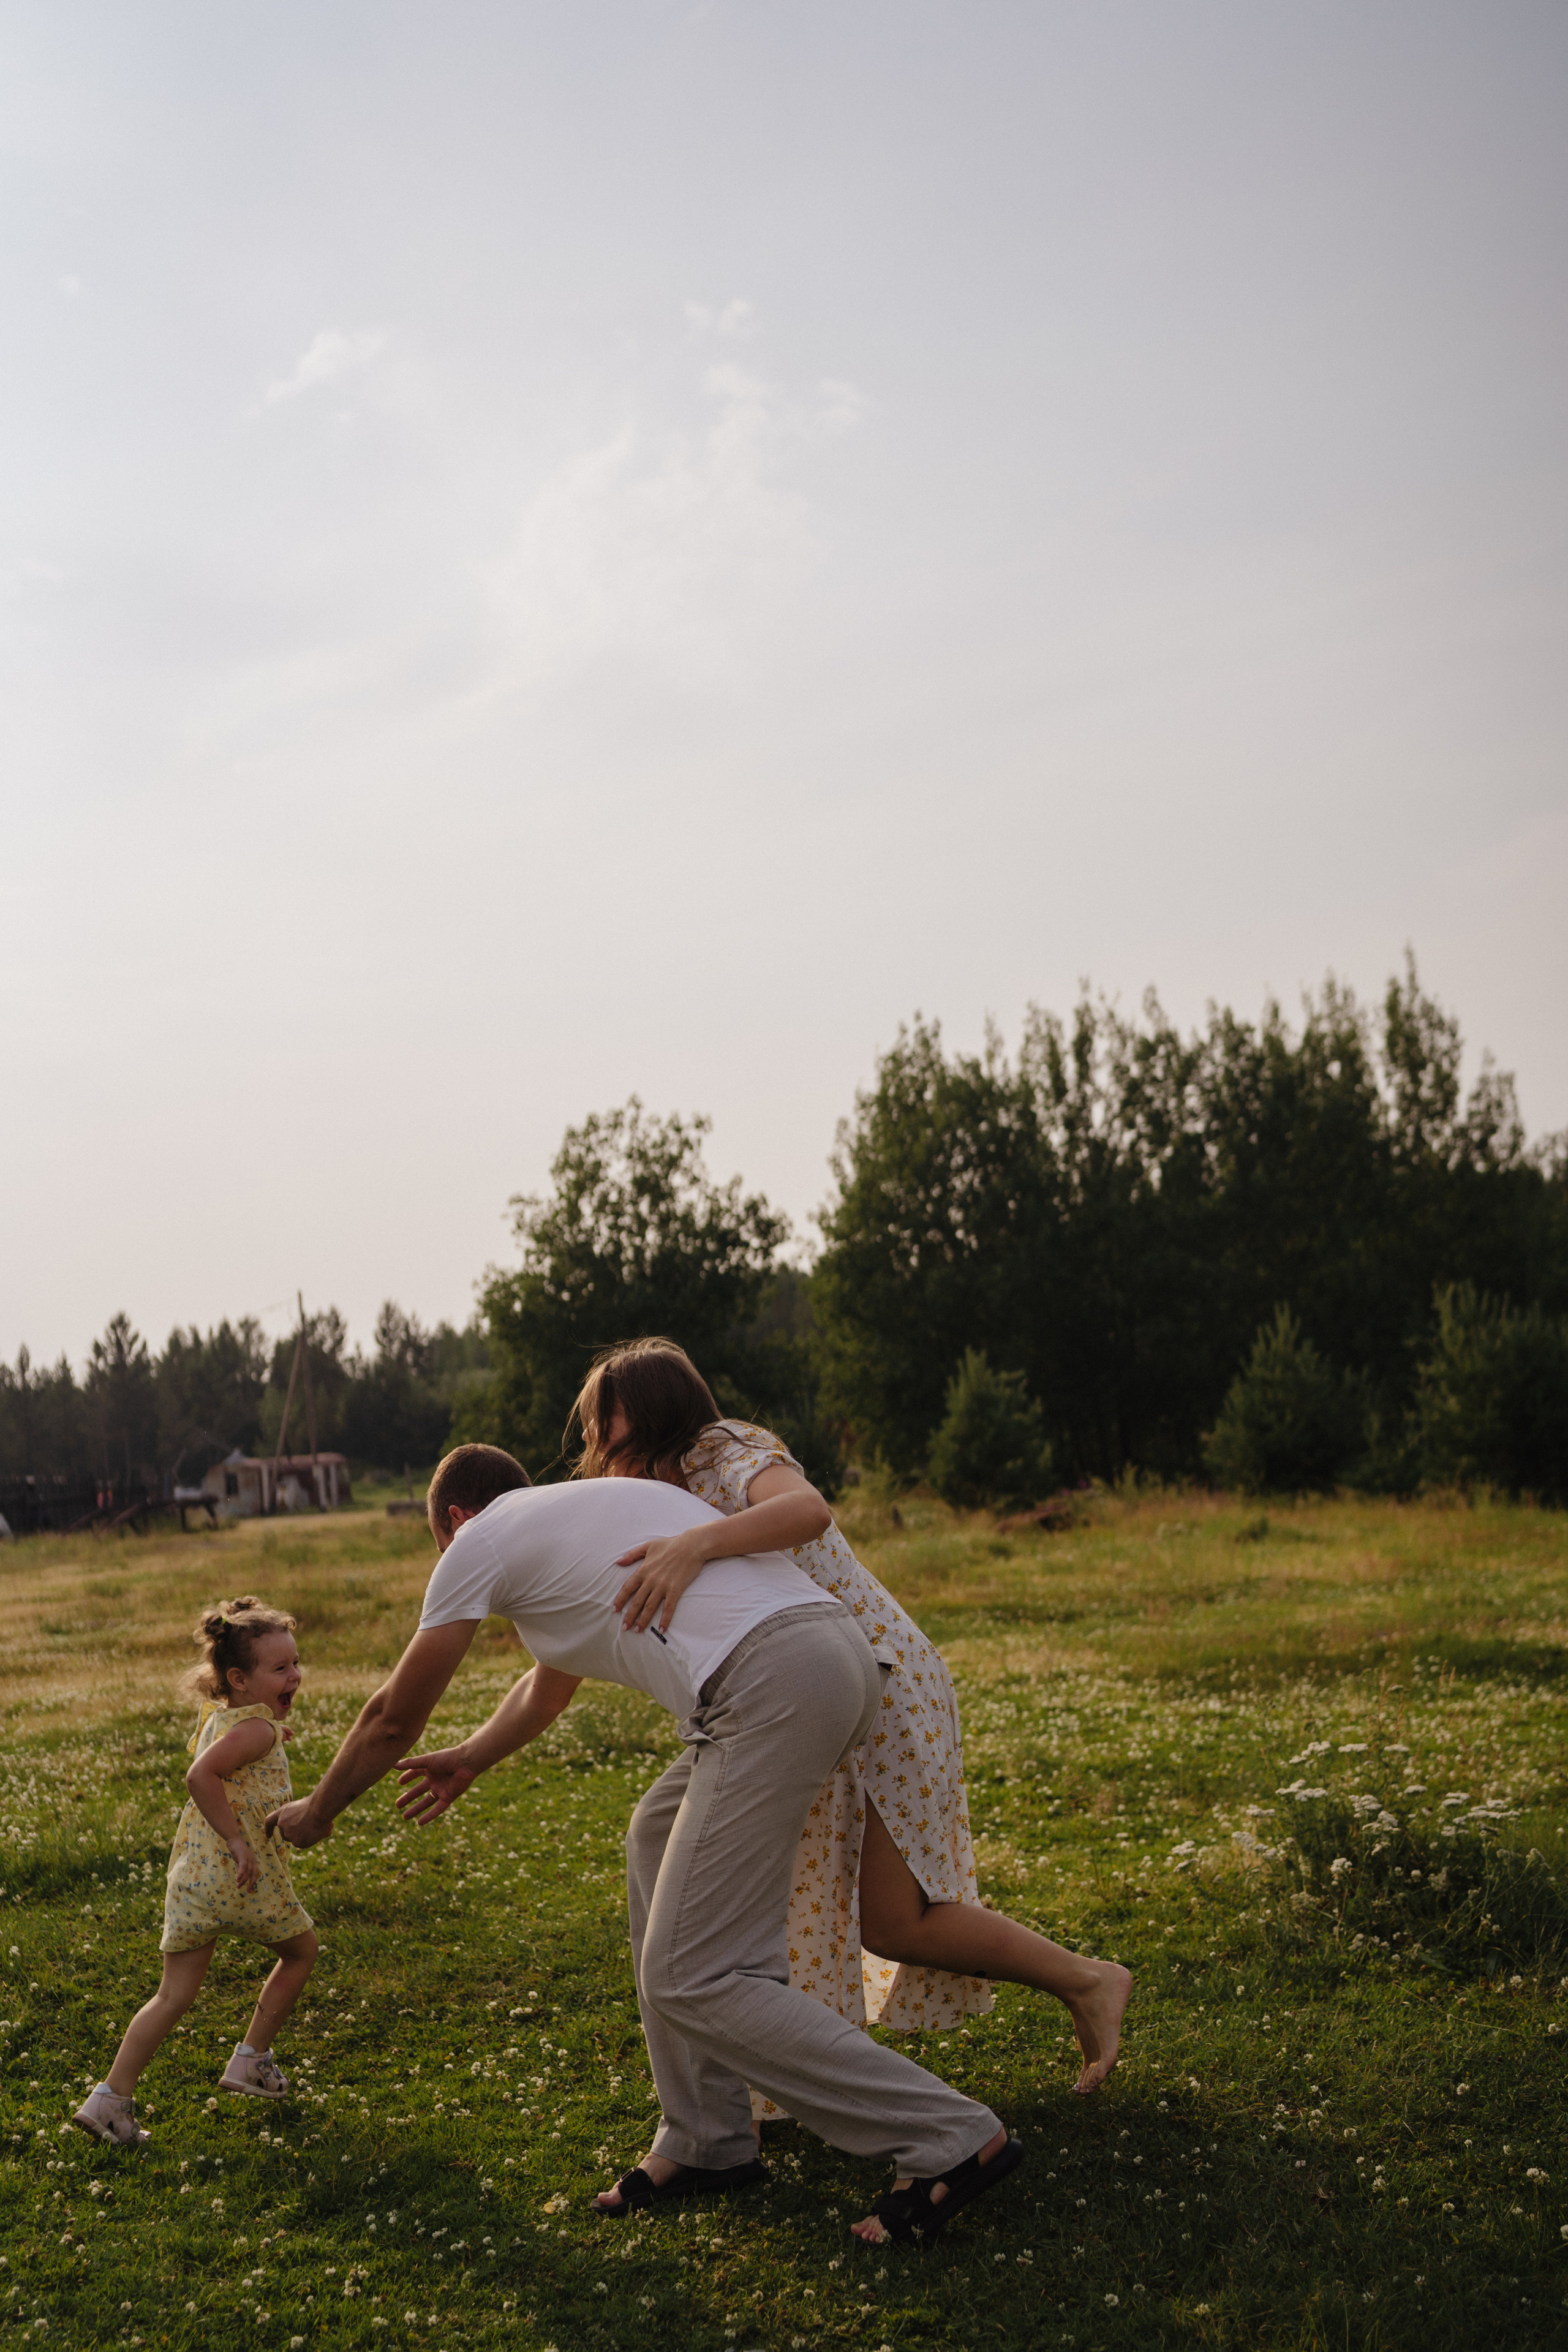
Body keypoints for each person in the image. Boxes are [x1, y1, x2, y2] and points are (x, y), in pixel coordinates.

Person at [274, 1444, 1023, 2246]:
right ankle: (707, 2141)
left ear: (455, 1520)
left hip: (771, 1684)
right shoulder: (574, 1517)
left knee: (688, 1974)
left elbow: (392, 1714)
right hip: (835, 1659)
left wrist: (318, 1811)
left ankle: (949, 2137)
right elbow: (547, 1683)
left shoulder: (479, 1540)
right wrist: (472, 1757)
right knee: (655, 1837)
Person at [573, 1338, 1131, 2134]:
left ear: (656, 1413)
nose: (602, 1453)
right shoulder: (664, 1494)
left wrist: (696, 1545)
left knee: (897, 1921)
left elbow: (806, 1510)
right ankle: (776, 2087)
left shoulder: (722, 1449)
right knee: (815, 1902)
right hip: (817, 1689)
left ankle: (1088, 1981)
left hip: (884, 1679)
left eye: (611, 1432)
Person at [71, 1598, 317, 2149]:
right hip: (241, 1879)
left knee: (172, 1996)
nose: (295, 1675)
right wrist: (238, 1840)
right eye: (280, 1668)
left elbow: (225, 1765)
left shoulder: (224, 1718)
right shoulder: (257, 1731)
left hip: (192, 1882)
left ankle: (110, 2098)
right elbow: (200, 1774)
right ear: (240, 1678)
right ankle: (252, 2059)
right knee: (301, 1953)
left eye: (296, 1663)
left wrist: (265, 1742)